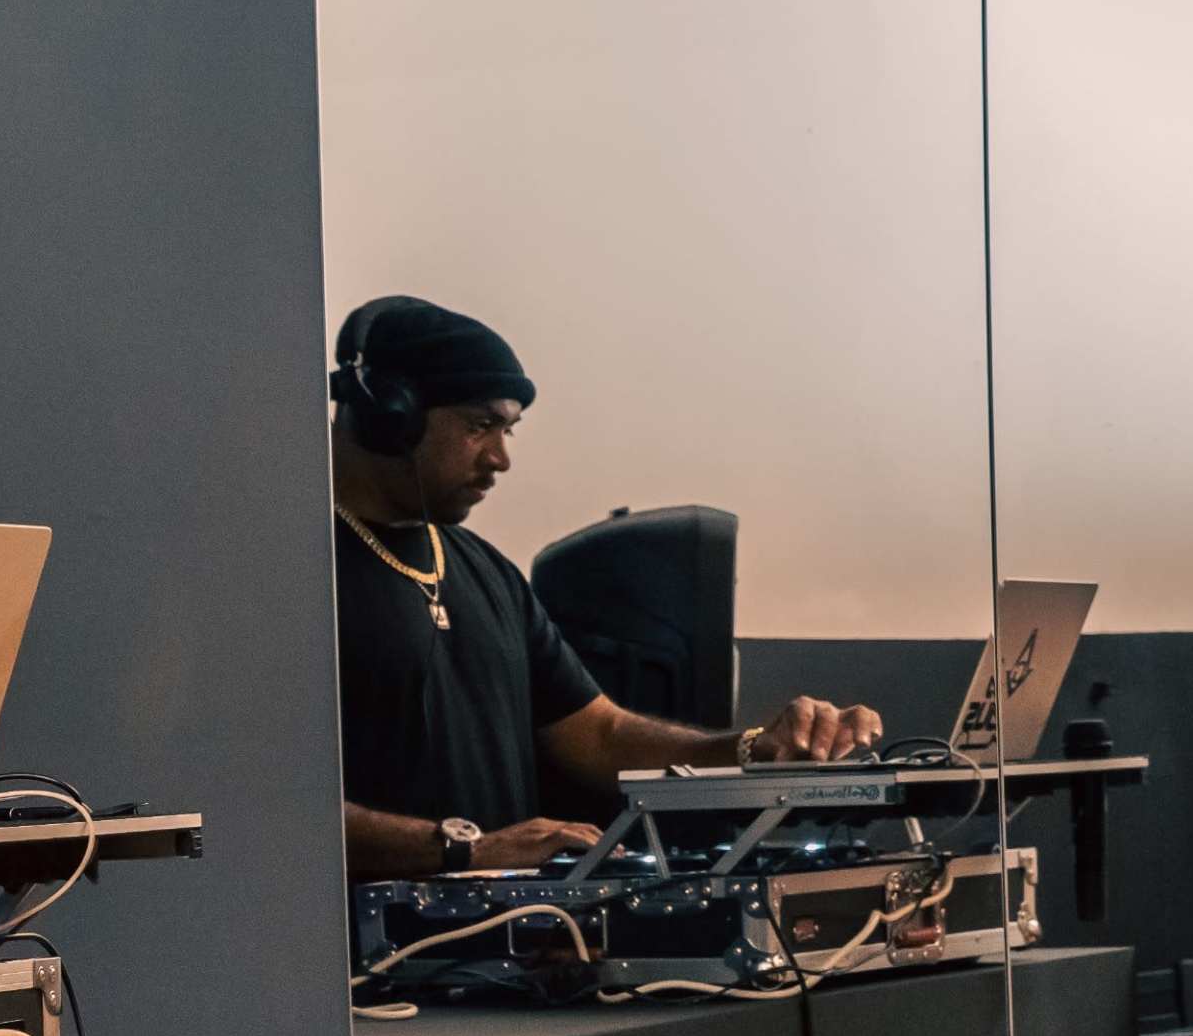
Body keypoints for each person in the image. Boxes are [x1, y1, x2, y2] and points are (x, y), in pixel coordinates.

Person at [329, 294, 880, 876]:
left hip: (500, 953)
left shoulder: (487, 573)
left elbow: (600, 734)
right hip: (349, 960)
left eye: (509, 429)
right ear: (391, 415)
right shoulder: (291, 578)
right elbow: (254, 799)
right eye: (480, 425)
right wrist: (465, 848)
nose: (500, 458)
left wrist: (749, 750)